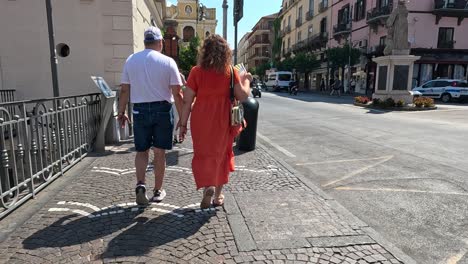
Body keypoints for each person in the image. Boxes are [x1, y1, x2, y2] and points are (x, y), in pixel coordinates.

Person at [178, 34, 252, 209]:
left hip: (201, 120)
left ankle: (207, 187)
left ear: (204, 51)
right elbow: (242, 95)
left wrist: (182, 124)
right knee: (221, 155)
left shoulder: (196, 71)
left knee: (203, 155)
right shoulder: (231, 71)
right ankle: (217, 196)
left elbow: (187, 100)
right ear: (225, 52)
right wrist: (247, 80)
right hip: (223, 120)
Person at [118, 26, 184, 205]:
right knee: (159, 152)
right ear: (160, 42)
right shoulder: (168, 62)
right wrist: (184, 120)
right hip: (163, 109)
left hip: (139, 109)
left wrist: (121, 112)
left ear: (145, 42)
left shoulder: (131, 60)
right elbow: (177, 93)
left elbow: (125, 89)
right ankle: (157, 191)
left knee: (141, 151)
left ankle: (140, 185)